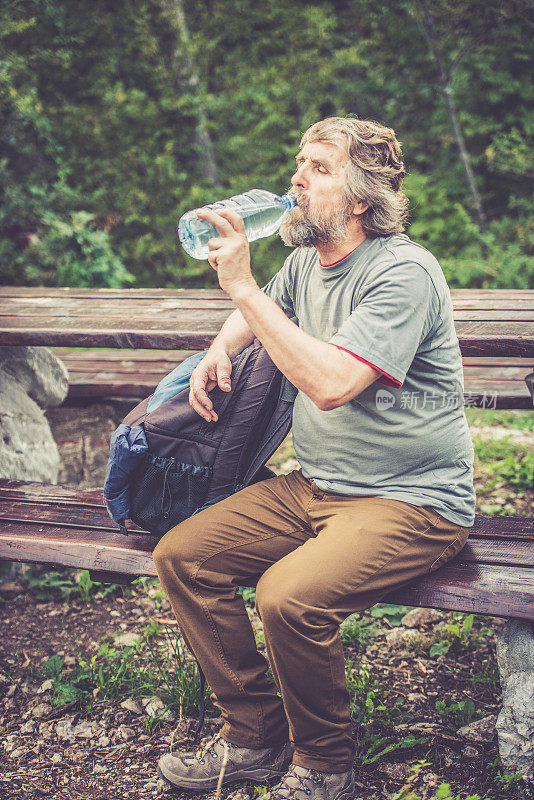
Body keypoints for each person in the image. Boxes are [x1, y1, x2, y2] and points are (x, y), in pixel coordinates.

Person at [153, 117, 475, 799]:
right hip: (317, 487)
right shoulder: (305, 260)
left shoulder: (404, 272)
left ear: (360, 199)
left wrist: (239, 287)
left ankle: (325, 764)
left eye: (319, 169)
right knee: (184, 557)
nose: (296, 179)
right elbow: (268, 305)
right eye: (298, 163)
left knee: (288, 597)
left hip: (410, 501)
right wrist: (221, 344)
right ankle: (254, 737)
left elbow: (331, 385)